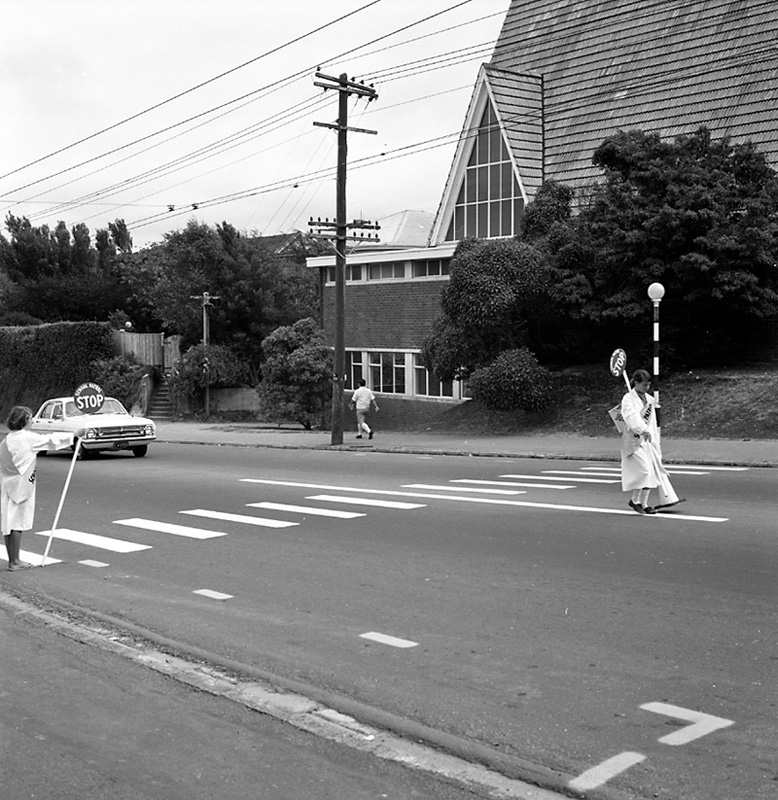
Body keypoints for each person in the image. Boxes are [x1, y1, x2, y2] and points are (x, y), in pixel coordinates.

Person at [1, 405, 77, 570]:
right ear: (25, 420)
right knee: (17, 523)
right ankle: (15, 561)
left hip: (7, 485)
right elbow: (51, 440)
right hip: (21, 486)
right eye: (31, 418)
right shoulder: (27, 438)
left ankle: (12, 560)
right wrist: (74, 435)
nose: (33, 421)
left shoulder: (7, 439)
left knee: (8, 524)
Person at [619, 369, 683, 514]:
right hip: (634, 441)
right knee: (644, 471)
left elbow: (653, 423)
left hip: (648, 441)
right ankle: (634, 501)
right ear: (636, 383)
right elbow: (631, 417)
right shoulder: (628, 399)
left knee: (651, 472)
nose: (647, 388)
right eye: (644, 385)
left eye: (648, 385)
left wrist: (654, 440)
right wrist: (642, 429)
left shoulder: (650, 400)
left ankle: (644, 504)